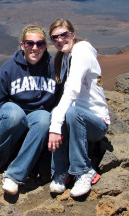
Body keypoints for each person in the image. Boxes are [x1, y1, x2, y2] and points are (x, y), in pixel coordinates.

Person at [0, 24, 57, 195]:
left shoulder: (53, 67)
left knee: (45, 119)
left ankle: (15, 176)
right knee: (14, 114)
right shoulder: (10, 68)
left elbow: (64, 98)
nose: (35, 48)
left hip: (37, 116)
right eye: (30, 43)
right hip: (13, 113)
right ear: (22, 45)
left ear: (46, 46)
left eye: (40, 44)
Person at [47, 18, 111, 197]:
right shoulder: (66, 58)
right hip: (77, 123)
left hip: (96, 123)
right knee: (57, 113)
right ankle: (61, 172)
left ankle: (84, 171)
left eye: (64, 35)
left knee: (71, 113)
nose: (60, 40)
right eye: (55, 37)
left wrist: (54, 128)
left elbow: (72, 90)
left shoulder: (81, 51)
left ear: (73, 35)